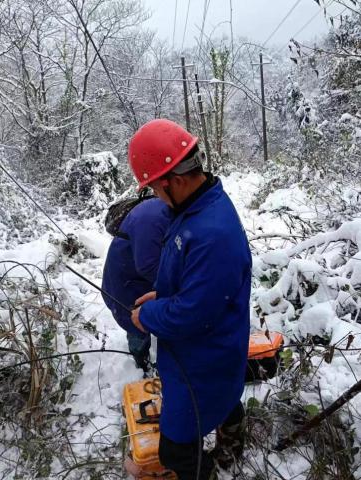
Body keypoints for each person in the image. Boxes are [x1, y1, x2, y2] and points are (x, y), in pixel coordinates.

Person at [128, 119, 252, 479]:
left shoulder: (211, 232)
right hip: (211, 352)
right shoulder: (199, 206)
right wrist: (165, 293)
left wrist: (148, 315)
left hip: (203, 360)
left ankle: (207, 471)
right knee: (225, 401)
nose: (155, 195)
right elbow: (200, 281)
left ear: (175, 180)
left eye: (155, 187)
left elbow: (192, 314)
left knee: (176, 450)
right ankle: (232, 447)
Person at [101, 195, 171, 371]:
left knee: (144, 318)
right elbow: (149, 266)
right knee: (136, 325)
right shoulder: (151, 219)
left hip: (133, 280)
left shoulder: (160, 210)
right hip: (125, 288)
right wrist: (179, 288)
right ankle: (141, 361)